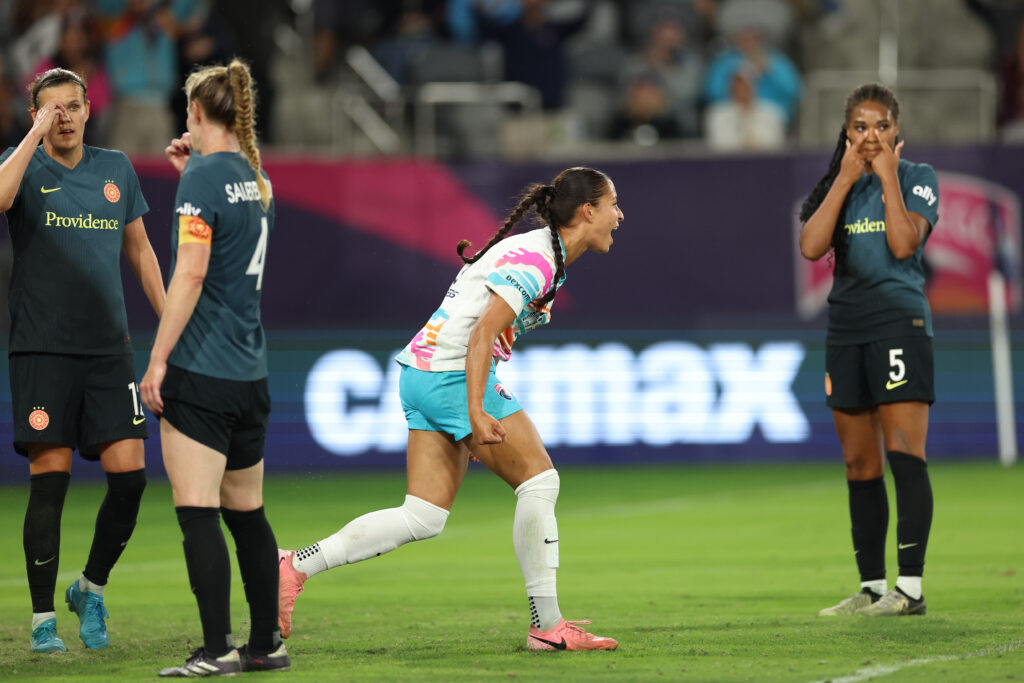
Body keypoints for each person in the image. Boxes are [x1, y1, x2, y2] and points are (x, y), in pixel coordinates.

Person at [278, 166, 623, 651]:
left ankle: (293, 565)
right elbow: (482, 334)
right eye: (613, 204)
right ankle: (547, 627)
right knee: (540, 480)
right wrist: (476, 412)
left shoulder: (542, 252)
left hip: (421, 371)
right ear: (588, 211)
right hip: (450, 374)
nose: (619, 215)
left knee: (422, 516)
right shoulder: (539, 259)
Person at [0, 67, 165, 653]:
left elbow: (141, 250)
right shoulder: (22, 166)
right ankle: (43, 619)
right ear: (36, 116)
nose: (63, 117)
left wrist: (169, 327)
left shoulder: (115, 168)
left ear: (89, 109)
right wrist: (31, 137)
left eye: (72, 106)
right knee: (50, 484)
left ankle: (90, 588)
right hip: (43, 350)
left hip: (109, 351)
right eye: (51, 110)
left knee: (132, 479)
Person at [138, 59, 288, 676]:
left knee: (196, 509)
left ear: (198, 112)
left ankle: (215, 650)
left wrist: (157, 358)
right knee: (247, 513)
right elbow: (231, 224)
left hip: (203, 369)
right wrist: (191, 171)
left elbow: (193, 272)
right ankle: (264, 645)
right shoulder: (259, 180)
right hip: (252, 376)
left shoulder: (202, 178)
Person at [798, 83, 939, 617]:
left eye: (881, 126)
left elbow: (904, 244)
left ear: (897, 130)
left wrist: (885, 180)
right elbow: (812, 247)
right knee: (859, 462)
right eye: (860, 127)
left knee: (905, 452)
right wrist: (845, 178)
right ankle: (873, 586)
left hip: (898, 324)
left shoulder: (917, 178)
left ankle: (912, 588)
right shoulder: (842, 182)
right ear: (847, 134)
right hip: (847, 330)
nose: (871, 136)